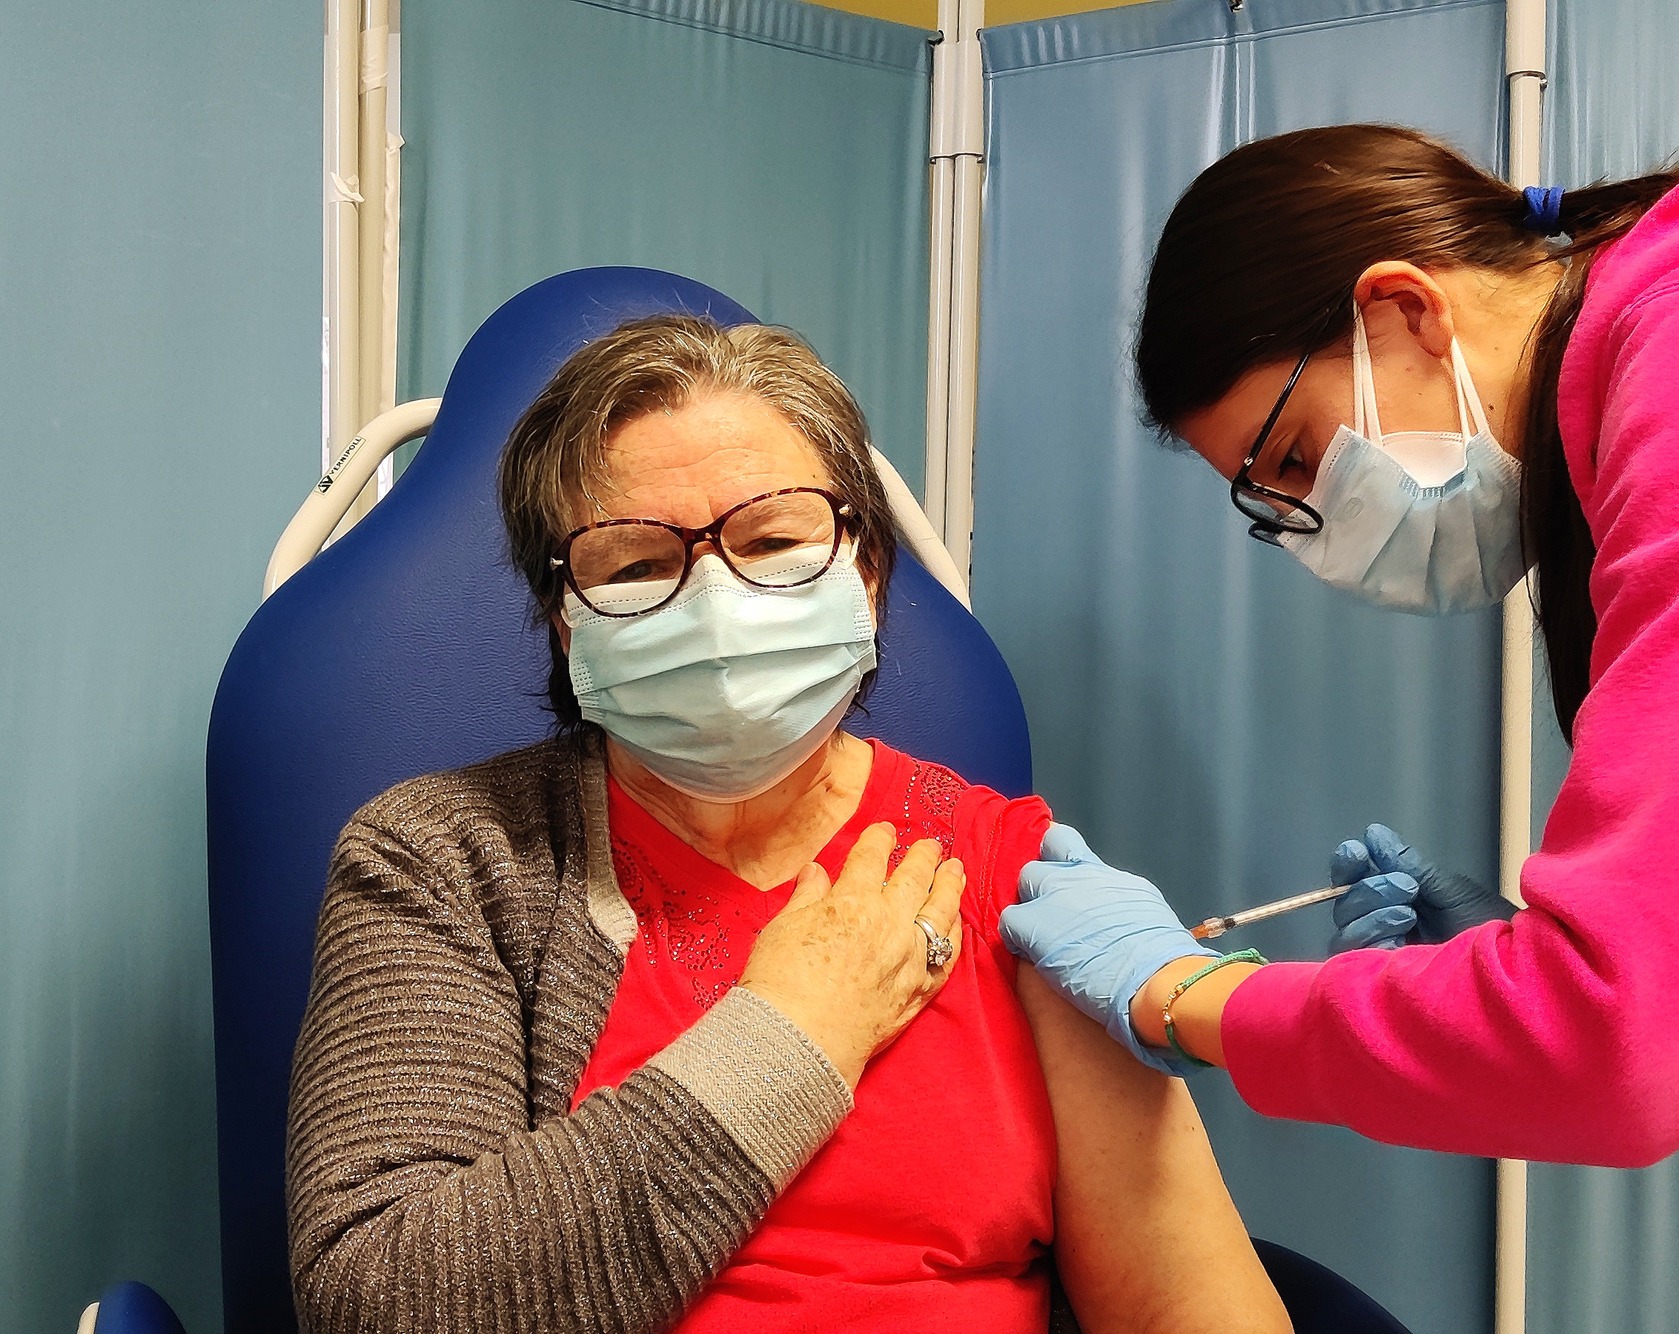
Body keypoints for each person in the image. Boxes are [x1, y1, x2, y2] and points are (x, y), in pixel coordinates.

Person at [1000, 47, 1679, 1165]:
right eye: (1278, 508)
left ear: (1404, 308)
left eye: (1297, 455)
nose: (1321, 531)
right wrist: (1510, 1000)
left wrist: (1186, 996)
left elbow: (1623, 1056)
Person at [285, 315, 1290, 1334]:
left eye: (771, 540)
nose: (716, 603)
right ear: (563, 616)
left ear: (864, 569)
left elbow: (1191, 1307)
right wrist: (799, 1030)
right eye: (633, 562)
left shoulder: (1010, 872)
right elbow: (383, 1296)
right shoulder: (446, 857)